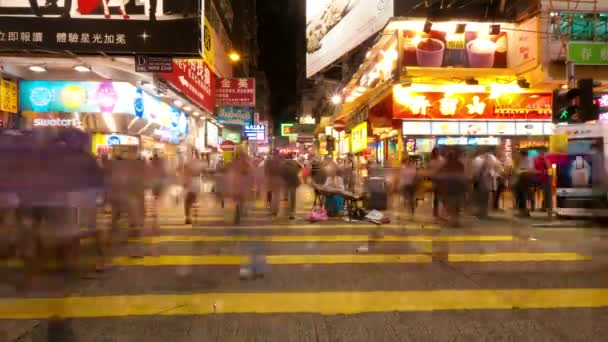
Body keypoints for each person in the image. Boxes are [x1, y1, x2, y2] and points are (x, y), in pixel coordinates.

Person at [471, 149, 499, 219]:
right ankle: (483, 213)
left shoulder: (479, 159)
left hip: (482, 181)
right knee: (484, 198)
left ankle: (481, 213)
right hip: (486, 181)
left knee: (482, 198)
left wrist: (475, 178)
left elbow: (476, 172)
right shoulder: (492, 159)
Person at [514, 150, 533, 217]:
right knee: (523, 194)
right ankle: (524, 211)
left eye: (520, 153)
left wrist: (519, 171)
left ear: (522, 154)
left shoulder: (525, 159)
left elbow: (524, 169)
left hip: (524, 178)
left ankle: (524, 211)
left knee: (522, 194)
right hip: (525, 178)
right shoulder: (529, 159)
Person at [534, 150, 552, 217]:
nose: (541, 154)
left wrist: (549, 176)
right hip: (537, 178)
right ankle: (543, 206)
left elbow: (549, 167)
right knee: (545, 190)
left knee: (546, 191)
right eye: (540, 153)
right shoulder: (536, 159)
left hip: (544, 178)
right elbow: (534, 168)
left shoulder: (546, 159)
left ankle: (545, 207)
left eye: (542, 153)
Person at [429, 147, 445, 218]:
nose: (436, 153)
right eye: (435, 152)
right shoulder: (432, 161)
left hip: (441, 180)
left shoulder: (441, 160)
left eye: (437, 151)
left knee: (441, 196)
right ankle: (436, 212)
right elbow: (430, 170)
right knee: (436, 197)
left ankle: (441, 212)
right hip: (435, 180)